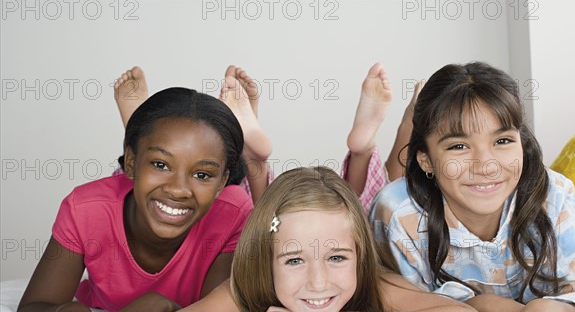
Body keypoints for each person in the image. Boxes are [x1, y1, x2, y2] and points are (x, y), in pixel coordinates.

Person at [130, 166, 497, 312]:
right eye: (293, 260)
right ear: (267, 258)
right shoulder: (248, 288)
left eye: (337, 258)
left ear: (359, 255)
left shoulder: (375, 284)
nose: (318, 282)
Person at [369, 62, 575, 312]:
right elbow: (406, 310)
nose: (486, 164)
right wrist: (484, 305)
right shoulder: (398, 214)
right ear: (425, 160)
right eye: (459, 146)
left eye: (503, 141)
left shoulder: (554, 196)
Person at [14, 88, 253, 312]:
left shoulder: (232, 212)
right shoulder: (86, 210)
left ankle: (256, 156)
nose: (178, 189)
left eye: (202, 175)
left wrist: (165, 305)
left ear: (222, 183)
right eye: (160, 164)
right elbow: (30, 311)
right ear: (130, 162)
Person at [113, 63, 414, 209]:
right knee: (358, 219)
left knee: (257, 221)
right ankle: (364, 151)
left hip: (266, 233)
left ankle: (144, 131)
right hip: (311, 231)